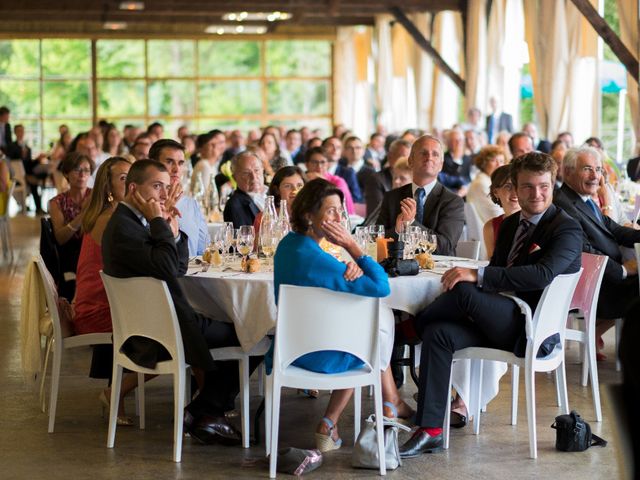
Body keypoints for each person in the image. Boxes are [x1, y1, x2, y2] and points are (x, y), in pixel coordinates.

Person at [399, 152, 582, 458]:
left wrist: (477, 274)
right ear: (515, 188)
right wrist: (480, 281)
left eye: (543, 187)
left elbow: (542, 274)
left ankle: (407, 329)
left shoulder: (566, 228)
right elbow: (501, 275)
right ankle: (430, 429)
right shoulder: (510, 225)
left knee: (464, 292)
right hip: (500, 317)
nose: (536, 194)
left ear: (553, 186)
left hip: (531, 328)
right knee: (440, 332)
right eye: (527, 187)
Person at [102, 159, 256, 446]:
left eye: (166, 186)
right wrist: (161, 223)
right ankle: (206, 412)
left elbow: (179, 266)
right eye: (156, 186)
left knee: (245, 329)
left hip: (161, 322)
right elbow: (168, 268)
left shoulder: (134, 222)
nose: (163, 194)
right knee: (257, 333)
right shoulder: (125, 228)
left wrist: (173, 232)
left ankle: (204, 410)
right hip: (157, 332)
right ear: (133, 188)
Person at [273, 178, 413, 452]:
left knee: (373, 327)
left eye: (341, 210)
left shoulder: (289, 246)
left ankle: (383, 405)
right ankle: (334, 420)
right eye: (331, 211)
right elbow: (381, 287)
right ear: (308, 216)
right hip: (320, 355)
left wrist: (346, 266)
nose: (340, 217)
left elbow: (331, 272)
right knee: (372, 333)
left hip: (289, 350)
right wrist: (353, 248)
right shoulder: (316, 258)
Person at [73, 157, 141, 425]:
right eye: (123, 178)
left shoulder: (117, 214)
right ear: (108, 188)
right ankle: (116, 393)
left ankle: (117, 394)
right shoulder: (112, 218)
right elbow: (140, 262)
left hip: (109, 302)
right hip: (98, 310)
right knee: (170, 333)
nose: (132, 183)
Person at [553, 146, 640, 353]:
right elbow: (584, 250)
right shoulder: (564, 204)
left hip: (603, 277)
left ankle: (598, 335)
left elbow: (615, 229)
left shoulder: (582, 199)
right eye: (588, 169)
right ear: (568, 171)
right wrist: (623, 270)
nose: (595, 176)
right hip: (593, 284)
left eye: (599, 170)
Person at [376, 135, 465, 256]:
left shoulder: (453, 201)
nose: (429, 157)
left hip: (437, 271)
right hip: (397, 269)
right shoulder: (391, 197)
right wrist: (397, 230)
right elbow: (377, 240)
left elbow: (445, 246)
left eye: (435, 154)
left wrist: (411, 223)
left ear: (441, 165)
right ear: (410, 161)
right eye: (423, 153)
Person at [149, 139, 210, 256]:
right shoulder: (144, 203)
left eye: (181, 163)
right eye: (169, 162)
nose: (176, 169)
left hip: (193, 272)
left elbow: (203, 251)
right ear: (153, 164)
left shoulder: (191, 204)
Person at [48, 152, 94, 299]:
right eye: (77, 169)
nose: (82, 175)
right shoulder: (57, 202)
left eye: (86, 170)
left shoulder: (96, 197)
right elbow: (60, 238)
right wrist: (83, 215)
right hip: (69, 255)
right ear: (66, 173)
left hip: (92, 251)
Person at [253, 165, 305, 238]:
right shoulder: (264, 218)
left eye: (299, 185)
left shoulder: (312, 216)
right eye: (288, 186)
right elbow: (256, 247)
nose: (294, 190)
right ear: (277, 190)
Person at [363, 139, 412, 216]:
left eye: (410, 158)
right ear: (389, 157)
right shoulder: (376, 179)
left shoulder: (416, 180)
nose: (407, 161)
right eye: (402, 157)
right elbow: (377, 214)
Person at [482, 165, 521, 259]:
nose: (515, 192)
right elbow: (493, 264)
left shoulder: (535, 222)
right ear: (496, 192)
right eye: (508, 186)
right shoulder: (490, 227)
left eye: (519, 186)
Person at [304, 147, 354, 214]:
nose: (319, 166)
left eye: (323, 162)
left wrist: (323, 182)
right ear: (306, 164)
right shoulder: (301, 180)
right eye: (314, 162)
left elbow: (345, 209)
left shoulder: (338, 182)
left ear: (327, 164)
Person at [223, 150, 266, 228]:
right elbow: (244, 238)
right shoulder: (234, 205)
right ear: (235, 178)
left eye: (257, 170)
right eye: (246, 173)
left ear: (263, 170)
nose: (253, 177)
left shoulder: (274, 193)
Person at [466, 145, 506, 224]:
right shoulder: (481, 183)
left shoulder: (490, 181)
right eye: (494, 160)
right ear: (484, 163)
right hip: (490, 230)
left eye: (501, 161)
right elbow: (496, 213)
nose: (499, 165)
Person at [322, 136, 362, 203]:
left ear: (342, 152)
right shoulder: (316, 171)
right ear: (322, 148)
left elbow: (356, 198)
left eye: (338, 147)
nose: (335, 150)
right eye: (331, 146)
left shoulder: (348, 173)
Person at [438, 128, 472, 197]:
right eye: (455, 140)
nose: (458, 143)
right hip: (450, 194)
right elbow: (449, 179)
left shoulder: (467, 158)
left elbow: (468, 177)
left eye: (460, 140)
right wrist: (456, 159)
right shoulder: (443, 158)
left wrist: (465, 187)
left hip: (467, 193)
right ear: (448, 143)